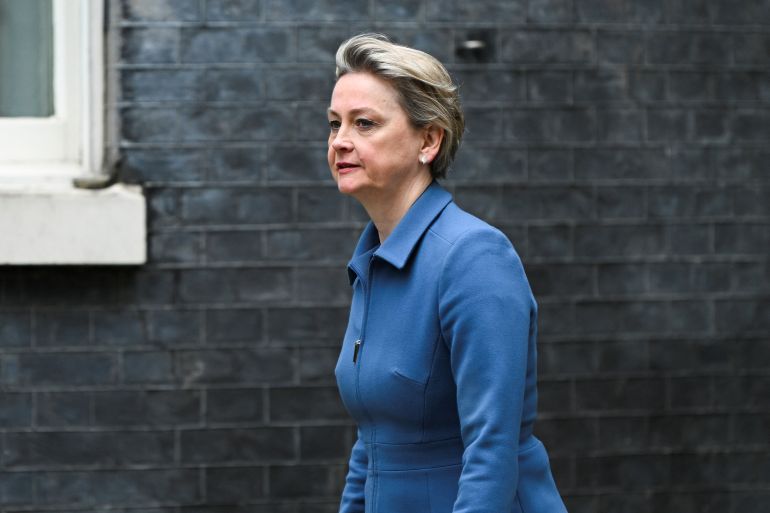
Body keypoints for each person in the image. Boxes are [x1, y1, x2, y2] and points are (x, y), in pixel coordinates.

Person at [328, 33, 568, 513]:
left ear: (429, 140)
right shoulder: (374, 262)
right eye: (334, 124)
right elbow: (372, 441)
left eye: (365, 123)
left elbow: (493, 450)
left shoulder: (473, 257)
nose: (341, 141)